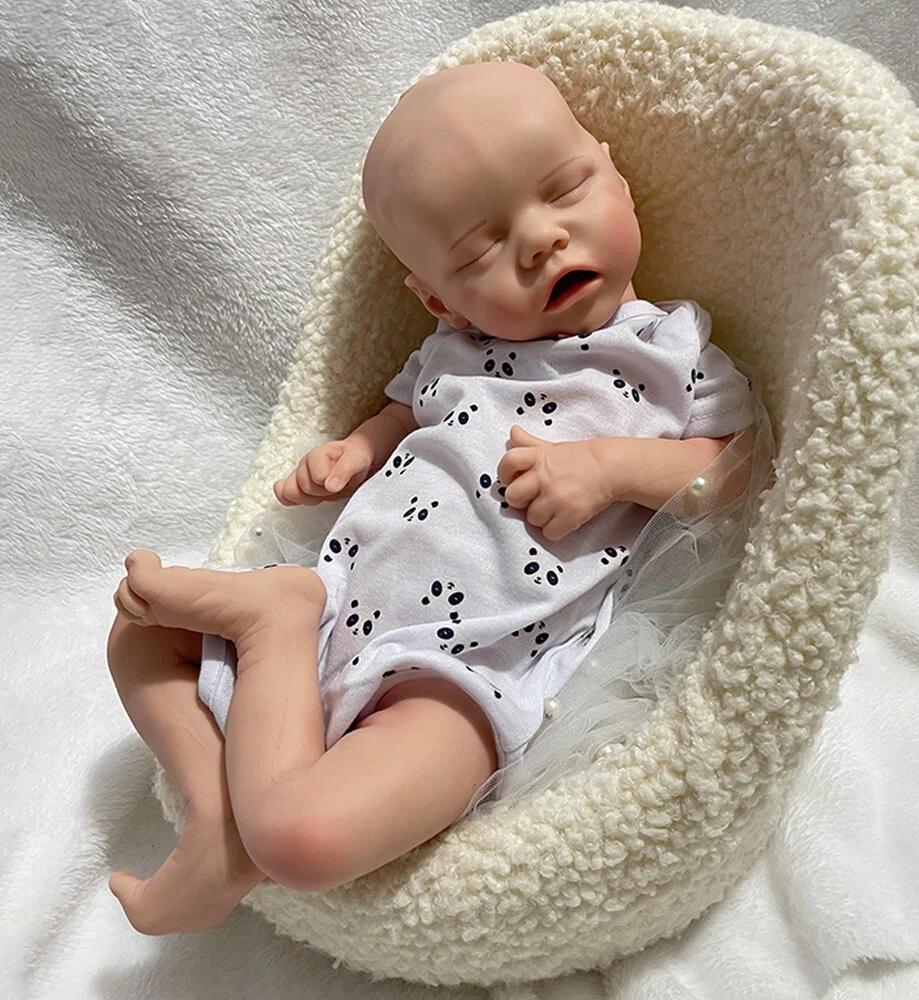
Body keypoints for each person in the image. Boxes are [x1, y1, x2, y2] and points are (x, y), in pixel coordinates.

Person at [106, 60, 755, 935]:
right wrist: (352, 452)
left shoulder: (670, 353)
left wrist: (610, 471)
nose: (542, 240)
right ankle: (221, 816)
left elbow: (735, 470)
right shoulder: (452, 350)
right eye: (482, 248)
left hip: (465, 670)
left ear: (617, 174)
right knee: (139, 635)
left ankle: (267, 676)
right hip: (344, 596)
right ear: (439, 299)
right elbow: (402, 417)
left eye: (565, 189)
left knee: (303, 841)